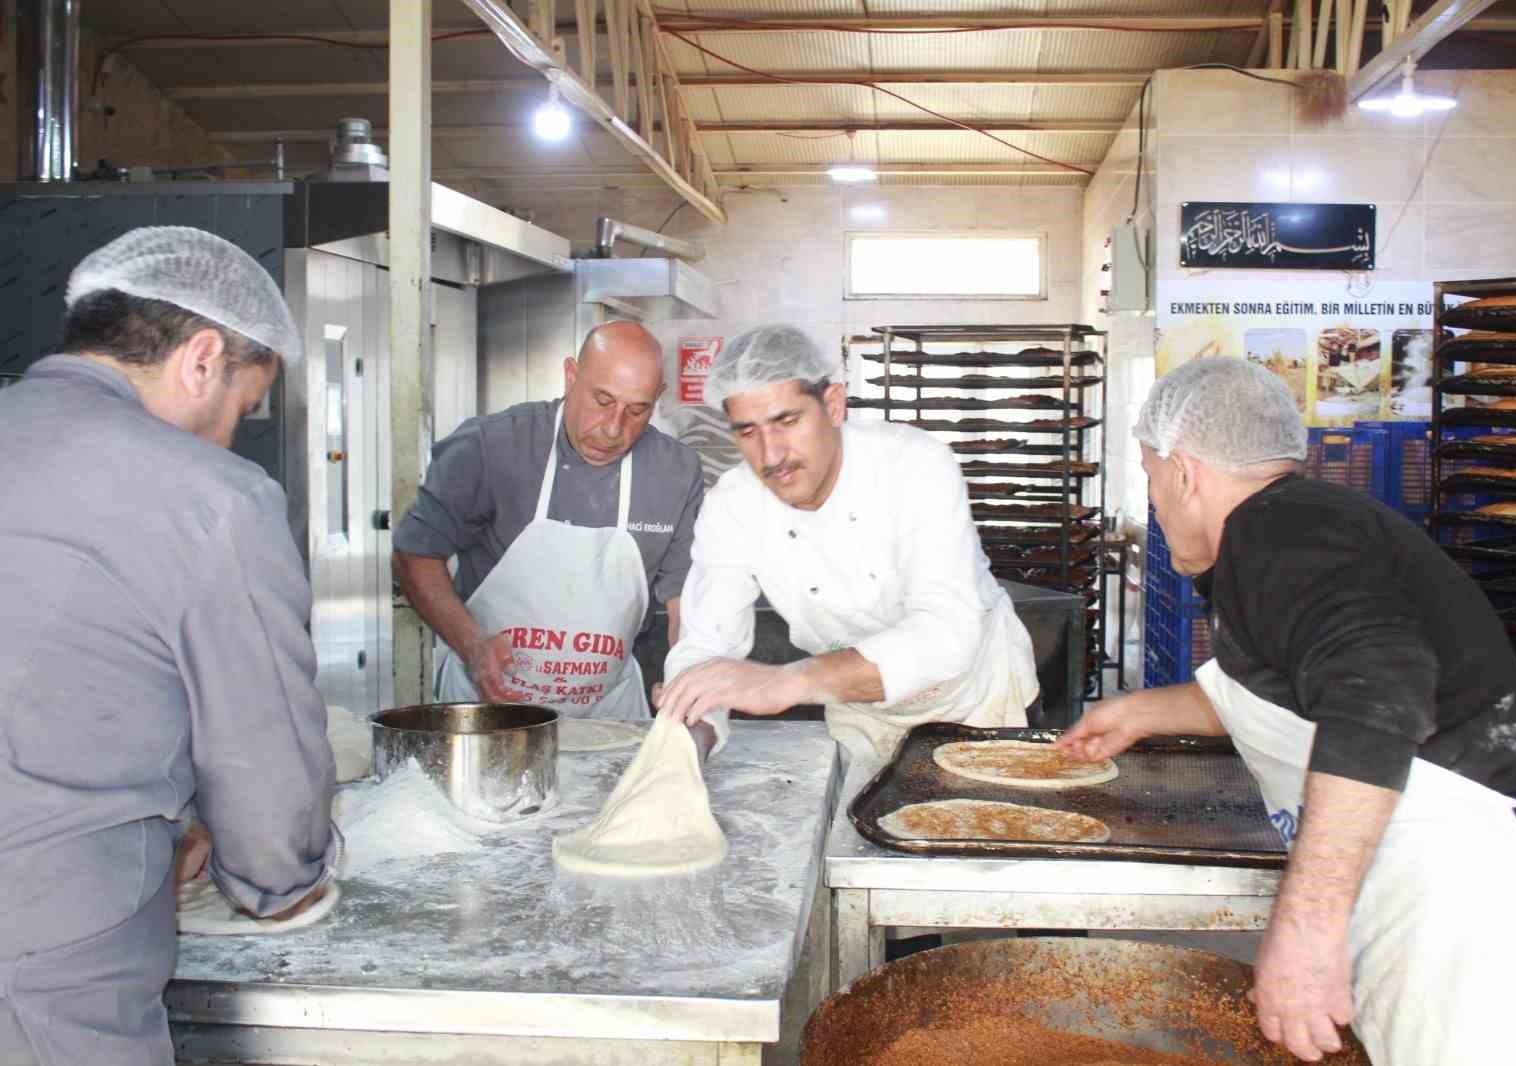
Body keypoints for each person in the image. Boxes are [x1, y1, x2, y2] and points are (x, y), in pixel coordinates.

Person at [1058, 357, 1516, 1065]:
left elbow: (1379, 692)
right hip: (1437, 894)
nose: (1157, 507)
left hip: (1496, 906)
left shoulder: (1276, 532)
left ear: (1184, 473)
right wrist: (1142, 712)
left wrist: (1307, 927)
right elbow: (1302, 689)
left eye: (1153, 482)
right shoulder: (1301, 531)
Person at [0, 227, 340, 1065]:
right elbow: (264, 759)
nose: (229, 434)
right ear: (202, 357)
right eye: (242, 405)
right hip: (49, 951)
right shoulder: (212, 498)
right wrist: (276, 880)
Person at [655, 324, 1039, 762]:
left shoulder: (914, 466)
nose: (771, 454)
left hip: (975, 703)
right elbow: (706, 643)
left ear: (833, 405)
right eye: (747, 432)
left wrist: (790, 682)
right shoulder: (733, 505)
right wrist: (689, 733)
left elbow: (946, 634)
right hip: (860, 712)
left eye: (787, 421)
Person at [394, 321, 705, 733]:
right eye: (602, 400)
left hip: (610, 714)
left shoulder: (676, 472)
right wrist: (472, 645)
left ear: (657, 401)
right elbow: (413, 554)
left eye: (637, 410)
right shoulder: (491, 447)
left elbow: (685, 599)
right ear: (571, 375)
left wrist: (690, 679)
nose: (614, 429)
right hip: (487, 714)